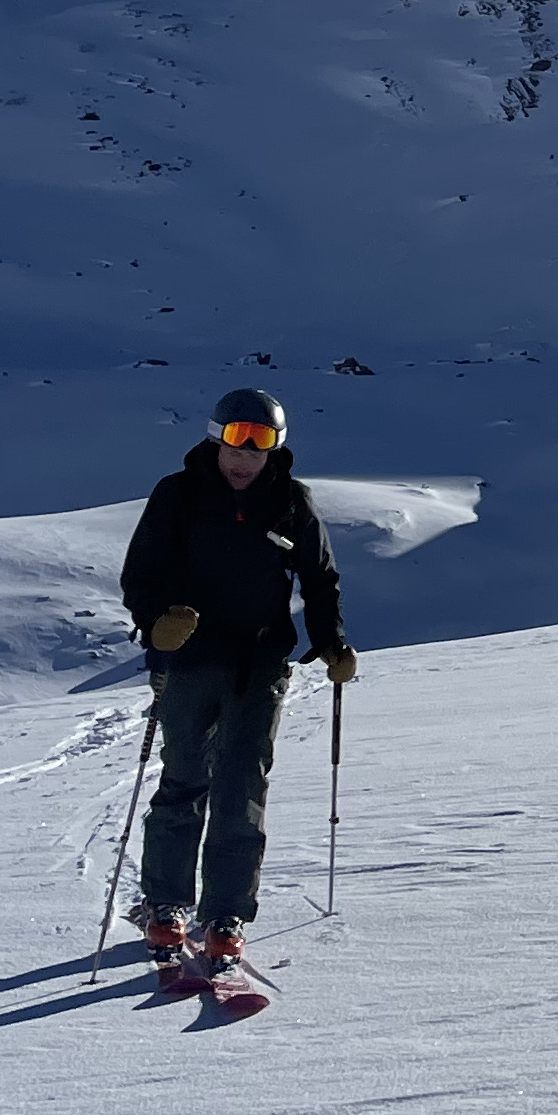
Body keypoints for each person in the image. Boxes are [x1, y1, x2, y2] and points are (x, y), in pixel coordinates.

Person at [118, 386, 357, 969]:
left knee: (242, 787)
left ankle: (225, 915)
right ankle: (166, 905)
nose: (245, 455)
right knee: (183, 780)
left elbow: (319, 578)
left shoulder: (291, 502)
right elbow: (141, 573)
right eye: (236, 439)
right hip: (189, 659)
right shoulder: (178, 495)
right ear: (215, 437)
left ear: (275, 447)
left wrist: (330, 642)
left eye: (260, 442)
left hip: (259, 662)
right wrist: (156, 625)